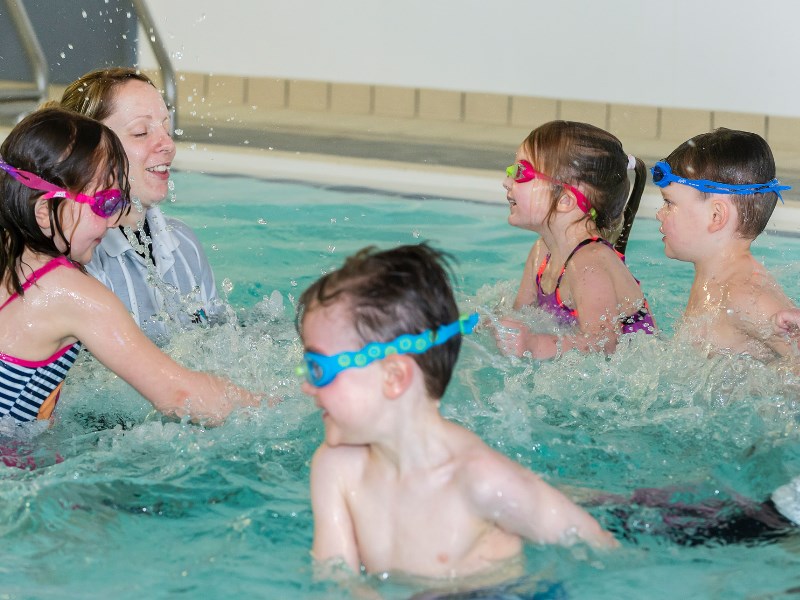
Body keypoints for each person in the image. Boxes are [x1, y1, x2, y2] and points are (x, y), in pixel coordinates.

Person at [296, 243, 617, 580]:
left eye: (317, 369)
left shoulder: (480, 480)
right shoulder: (335, 469)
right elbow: (338, 581)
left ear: (393, 377)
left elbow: (599, 547)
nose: (306, 385)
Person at [0, 107, 259, 425]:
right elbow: (180, 394)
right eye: (105, 203)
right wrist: (273, 408)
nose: (112, 221)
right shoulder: (69, 293)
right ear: (44, 212)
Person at [58, 67, 220, 342]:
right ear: (88, 153)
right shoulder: (75, 261)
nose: (168, 144)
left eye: (166, 129)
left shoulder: (184, 245)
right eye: (141, 132)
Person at [495, 120, 655, 359]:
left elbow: (604, 345)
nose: (507, 181)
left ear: (565, 201)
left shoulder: (589, 262)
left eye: (521, 172)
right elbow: (520, 315)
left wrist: (535, 345)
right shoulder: (541, 252)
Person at [653, 128, 796, 360]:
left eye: (669, 203)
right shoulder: (715, 277)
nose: (660, 214)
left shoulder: (745, 295)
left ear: (716, 216)